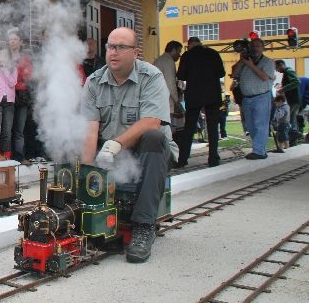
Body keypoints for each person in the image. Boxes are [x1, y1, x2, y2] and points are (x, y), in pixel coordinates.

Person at [80, 27, 177, 263]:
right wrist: (85, 175)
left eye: (121, 47)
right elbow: (90, 131)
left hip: (149, 150)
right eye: (110, 46)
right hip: (112, 151)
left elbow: (152, 122)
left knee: (154, 138)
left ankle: (144, 226)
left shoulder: (151, 77)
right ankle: (86, 213)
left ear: (136, 52)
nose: (114, 52)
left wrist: (115, 145)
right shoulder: (94, 81)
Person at [175, 37, 225, 167]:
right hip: (212, 95)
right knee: (213, 127)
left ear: (190, 44)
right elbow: (221, 72)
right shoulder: (213, 53)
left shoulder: (187, 55)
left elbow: (181, 75)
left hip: (194, 95)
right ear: (200, 43)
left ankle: (182, 159)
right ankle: (213, 158)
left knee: (189, 128)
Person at [231, 37, 275, 160]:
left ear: (262, 48)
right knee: (250, 125)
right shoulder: (245, 61)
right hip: (247, 98)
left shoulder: (268, 62)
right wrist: (242, 61)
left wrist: (251, 65)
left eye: (257, 46)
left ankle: (258, 151)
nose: (254, 49)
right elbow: (234, 73)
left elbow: (265, 77)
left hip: (261, 97)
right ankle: (260, 149)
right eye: (252, 46)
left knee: (260, 124)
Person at [7, 28, 33, 163]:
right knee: (7, 128)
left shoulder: (25, 58)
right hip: (7, 95)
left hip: (21, 95)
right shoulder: (4, 57)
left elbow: (29, 75)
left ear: (20, 42)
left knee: (19, 129)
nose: (12, 42)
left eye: (15, 39)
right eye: (10, 39)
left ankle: (19, 156)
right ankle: (7, 156)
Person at [153, 40, 183, 140]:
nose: (179, 55)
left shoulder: (159, 60)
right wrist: (177, 102)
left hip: (157, 101)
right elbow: (171, 84)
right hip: (166, 102)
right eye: (179, 52)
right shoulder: (168, 61)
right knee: (169, 132)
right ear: (173, 50)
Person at [274, 60, 301, 145]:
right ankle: (293, 141)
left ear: (281, 65)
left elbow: (296, 82)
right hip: (293, 100)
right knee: (292, 120)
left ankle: (295, 135)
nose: (276, 70)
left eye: (276, 67)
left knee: (289, 120)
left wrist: (283, 89)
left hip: (293, 100)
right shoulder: (286, 73)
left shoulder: (289, 71)